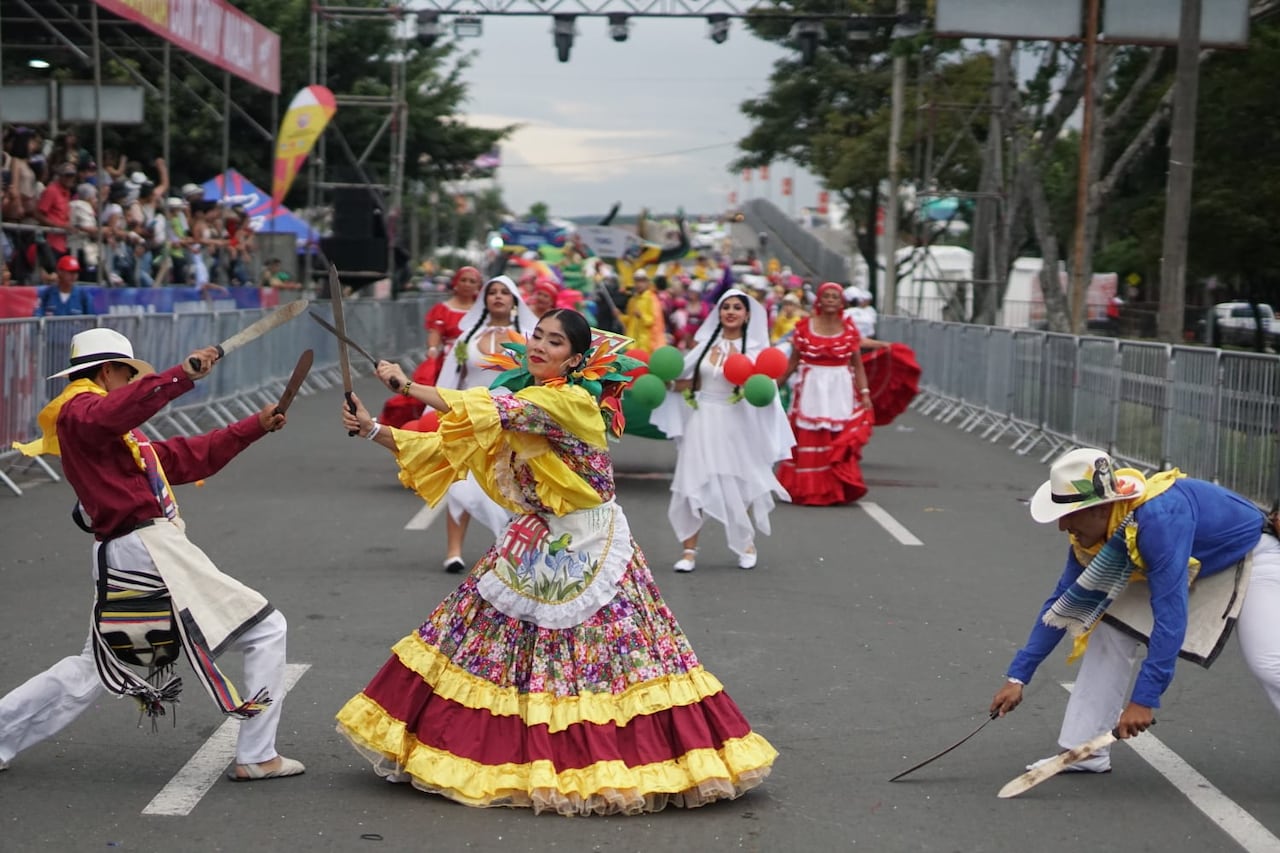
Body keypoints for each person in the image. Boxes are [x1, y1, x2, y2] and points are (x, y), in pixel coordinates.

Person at [334, 309, 777, 814]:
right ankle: (485, 752)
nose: (541, 346)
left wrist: (408, 385)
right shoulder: (527, 397)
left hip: (591, 544)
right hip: (535, 537)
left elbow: (488, 410)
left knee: (611, 661)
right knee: (476, 638)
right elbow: (448, 442)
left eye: (556, 342)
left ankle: (627, 761)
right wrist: (374, 430)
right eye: (538, 337)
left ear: (576, 358)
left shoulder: (567, 401)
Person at [3, 328, 303, 781]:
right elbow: (114, 411)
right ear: (108, 372)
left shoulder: (104, 428)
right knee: (266, 629)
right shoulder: (81, 413)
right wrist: (179, 374)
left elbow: (182, 457)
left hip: (131, 552)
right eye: (127, 374)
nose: (130, 383)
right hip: (148, 549)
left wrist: (252, 427)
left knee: (95, 668)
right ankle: (258, 754)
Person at [989, 448, 1280, 776]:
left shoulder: (1158, 521)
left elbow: (1171, 616)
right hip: (1192, 559)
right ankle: (1084, 751)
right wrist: (1018, 677)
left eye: (1069, 513)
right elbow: (1063, 604)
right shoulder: (1097, 535)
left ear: (1102, 508)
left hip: (1251, 553)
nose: (1062, 526)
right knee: (1110, 628)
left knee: (1269, 663)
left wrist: (1145, 698)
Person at [662, 289, 795, 572]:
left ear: (747, 315)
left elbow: (762, 388)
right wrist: (669, 386)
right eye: (726, 307)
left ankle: (745, 544)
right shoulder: (706, 346)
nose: (731, 311)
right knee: (691, 482)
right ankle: (688, 552)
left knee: (740, 482)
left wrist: (754, 384)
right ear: (718, 313)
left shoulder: (755, 350)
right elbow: (694, 381)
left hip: (736, 421)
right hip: (702, 418)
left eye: (737, 307)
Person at [427, 275, 536, 572]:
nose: (498, 297)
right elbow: (452, 377)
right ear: (484, 300)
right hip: (470, 419)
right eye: (492, 293)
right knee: (461, 482)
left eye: (505, 292)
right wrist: (433, 410)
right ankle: (454, 552)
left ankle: (509, 546)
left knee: (510, 485)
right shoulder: (467, 339)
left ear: (515, 299)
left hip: (512, 421)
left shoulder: (529, 338)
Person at [776, 282, 873, 506]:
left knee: (837, 438)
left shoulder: (849, 330)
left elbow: (858, 366)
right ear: (818, 300)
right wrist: (775, 385)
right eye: (826, 296)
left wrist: (865, 393)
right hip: (811, 388)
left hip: (840, 389)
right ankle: (808, 489)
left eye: (834, 297)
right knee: (810, 436)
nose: (830, 300)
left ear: (841, 302)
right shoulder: (803, 328)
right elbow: (792, 364)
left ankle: (835, 487)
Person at [379, 266, 481, 428]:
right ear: (456, 283)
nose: (467, 284)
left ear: (478, 286)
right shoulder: (443, 309)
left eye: (472, 281)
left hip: (478, 361)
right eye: (463, 280)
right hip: (449, 360)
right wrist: (432, 349)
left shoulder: (483, 311)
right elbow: (435, 334)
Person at [623, 268, 666, 352]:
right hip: (633, 343)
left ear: (647, 283)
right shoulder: (633, 300)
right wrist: (619, 316)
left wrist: (641, 316)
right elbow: (629, 321)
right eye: (637, 281)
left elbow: (653, 322)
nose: (639, 284)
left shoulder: (652, 299)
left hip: (647, 344)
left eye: (642, 281)